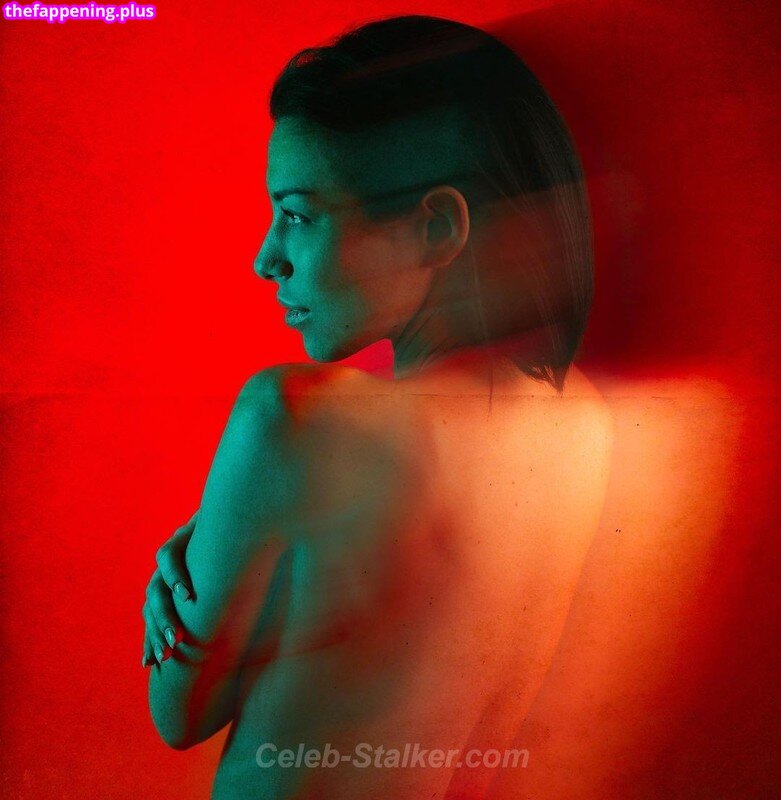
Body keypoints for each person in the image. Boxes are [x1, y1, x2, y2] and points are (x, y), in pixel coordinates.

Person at [142, 15, 613, 800]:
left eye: (298, 214)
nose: (266, 258)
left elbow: (176, 713)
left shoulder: (292, 416)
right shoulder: (583, 425)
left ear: (436, 227)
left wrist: (208, 550)